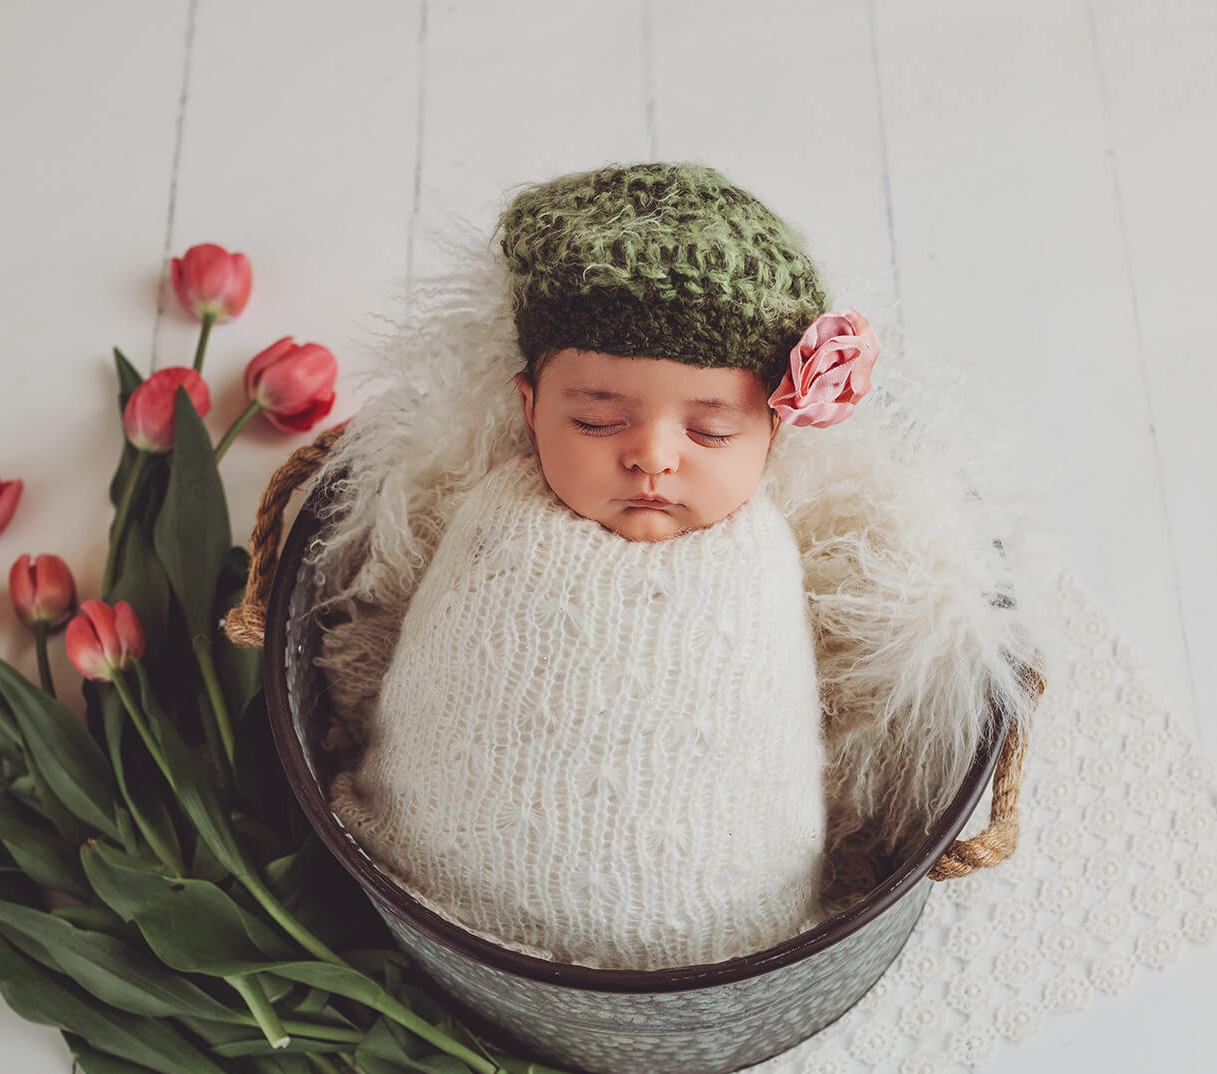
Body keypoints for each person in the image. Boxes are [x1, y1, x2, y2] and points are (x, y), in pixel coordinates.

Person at [303, 161, 1042, 971]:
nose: (651, 457)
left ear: (774, 434)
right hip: (431, 901)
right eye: (595, 419)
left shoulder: (761, 562)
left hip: (730, 936)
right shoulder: (489, 520)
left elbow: (778, 735)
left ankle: (717, 914)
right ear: (528, 408)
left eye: (712, 433)